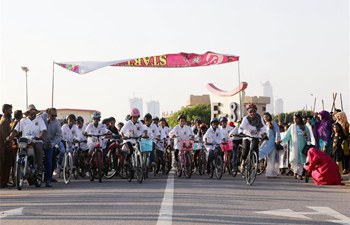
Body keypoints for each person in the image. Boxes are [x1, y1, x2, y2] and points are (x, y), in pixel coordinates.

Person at [9, 104, 47, 180]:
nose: (32, 113)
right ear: (27, 112)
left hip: (36, 140)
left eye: (33, 111)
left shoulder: (39, 119)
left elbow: (44, 130)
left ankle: (39, 169)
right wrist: (11, 136)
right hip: (25, 141)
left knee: (39, 148)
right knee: (18, 150)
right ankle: (20, 169)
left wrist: (41, 136)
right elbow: (16, 130)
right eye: (30, 111)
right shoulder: (23, 120)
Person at [280, 113, 311, 180]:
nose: (295, 120)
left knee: (301, 160)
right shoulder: (292, 126)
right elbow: (287, 136)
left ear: (299, 119)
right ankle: (295, 172)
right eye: (294, 119)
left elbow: (308, 137)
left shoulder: (305, 127)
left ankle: (299, 174)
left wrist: (306, 136)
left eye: (296, 118)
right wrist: (281, 141)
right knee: (293, 160)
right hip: (293, 147)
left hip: (302, 146)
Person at [238, 104, 267, 171]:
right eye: (250, 112)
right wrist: (241, 133)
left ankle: (255, 162)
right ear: (248, 112)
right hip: (247, 136)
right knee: (246, 148)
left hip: (255, 136)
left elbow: (263, 128)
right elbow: (241, 127)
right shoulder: (246, 119)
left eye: (254, 112)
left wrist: (263, 134)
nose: (252, 113)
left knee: (255, 147)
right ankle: (243, 162)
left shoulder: (259, 118)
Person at [43, 108, 62, 187]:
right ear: (48, 114)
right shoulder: (42, 118)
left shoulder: (57, 123)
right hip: (39, 142)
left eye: (55, 115)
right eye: (52, 115)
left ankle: (48, 179)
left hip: (50, 144)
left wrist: (53, 143)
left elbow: (59, 136)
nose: (54, 117)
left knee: (49, 161)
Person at [258, 112, 281, 177]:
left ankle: (271, 172)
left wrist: (277, 139)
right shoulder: (264, 125)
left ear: (269, 117)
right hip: (266, 142)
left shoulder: (273, 123)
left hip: (273, 142)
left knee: (272, 158)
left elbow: (277, 131)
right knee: (262, 153)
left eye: (266, 117)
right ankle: (270, 172)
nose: (265, 118)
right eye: (264, 117)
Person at [8, 110, 23, 186]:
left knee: (15, 164)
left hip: (13, 145)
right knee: (16, 163)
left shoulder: (12, 122)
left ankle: (15, 180)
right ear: (20, 115)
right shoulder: (18, 123)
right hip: (17, 145)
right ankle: (15, 181)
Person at [0, 104, 12, 188]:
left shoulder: (4, 120)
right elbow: (5, 137)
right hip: (3, 148)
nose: (11, 112)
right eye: (10, 110)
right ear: (5, 110)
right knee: (5, 165)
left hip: (3, 147)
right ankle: (3, 182)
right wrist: (8, 146)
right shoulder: (4, 122)